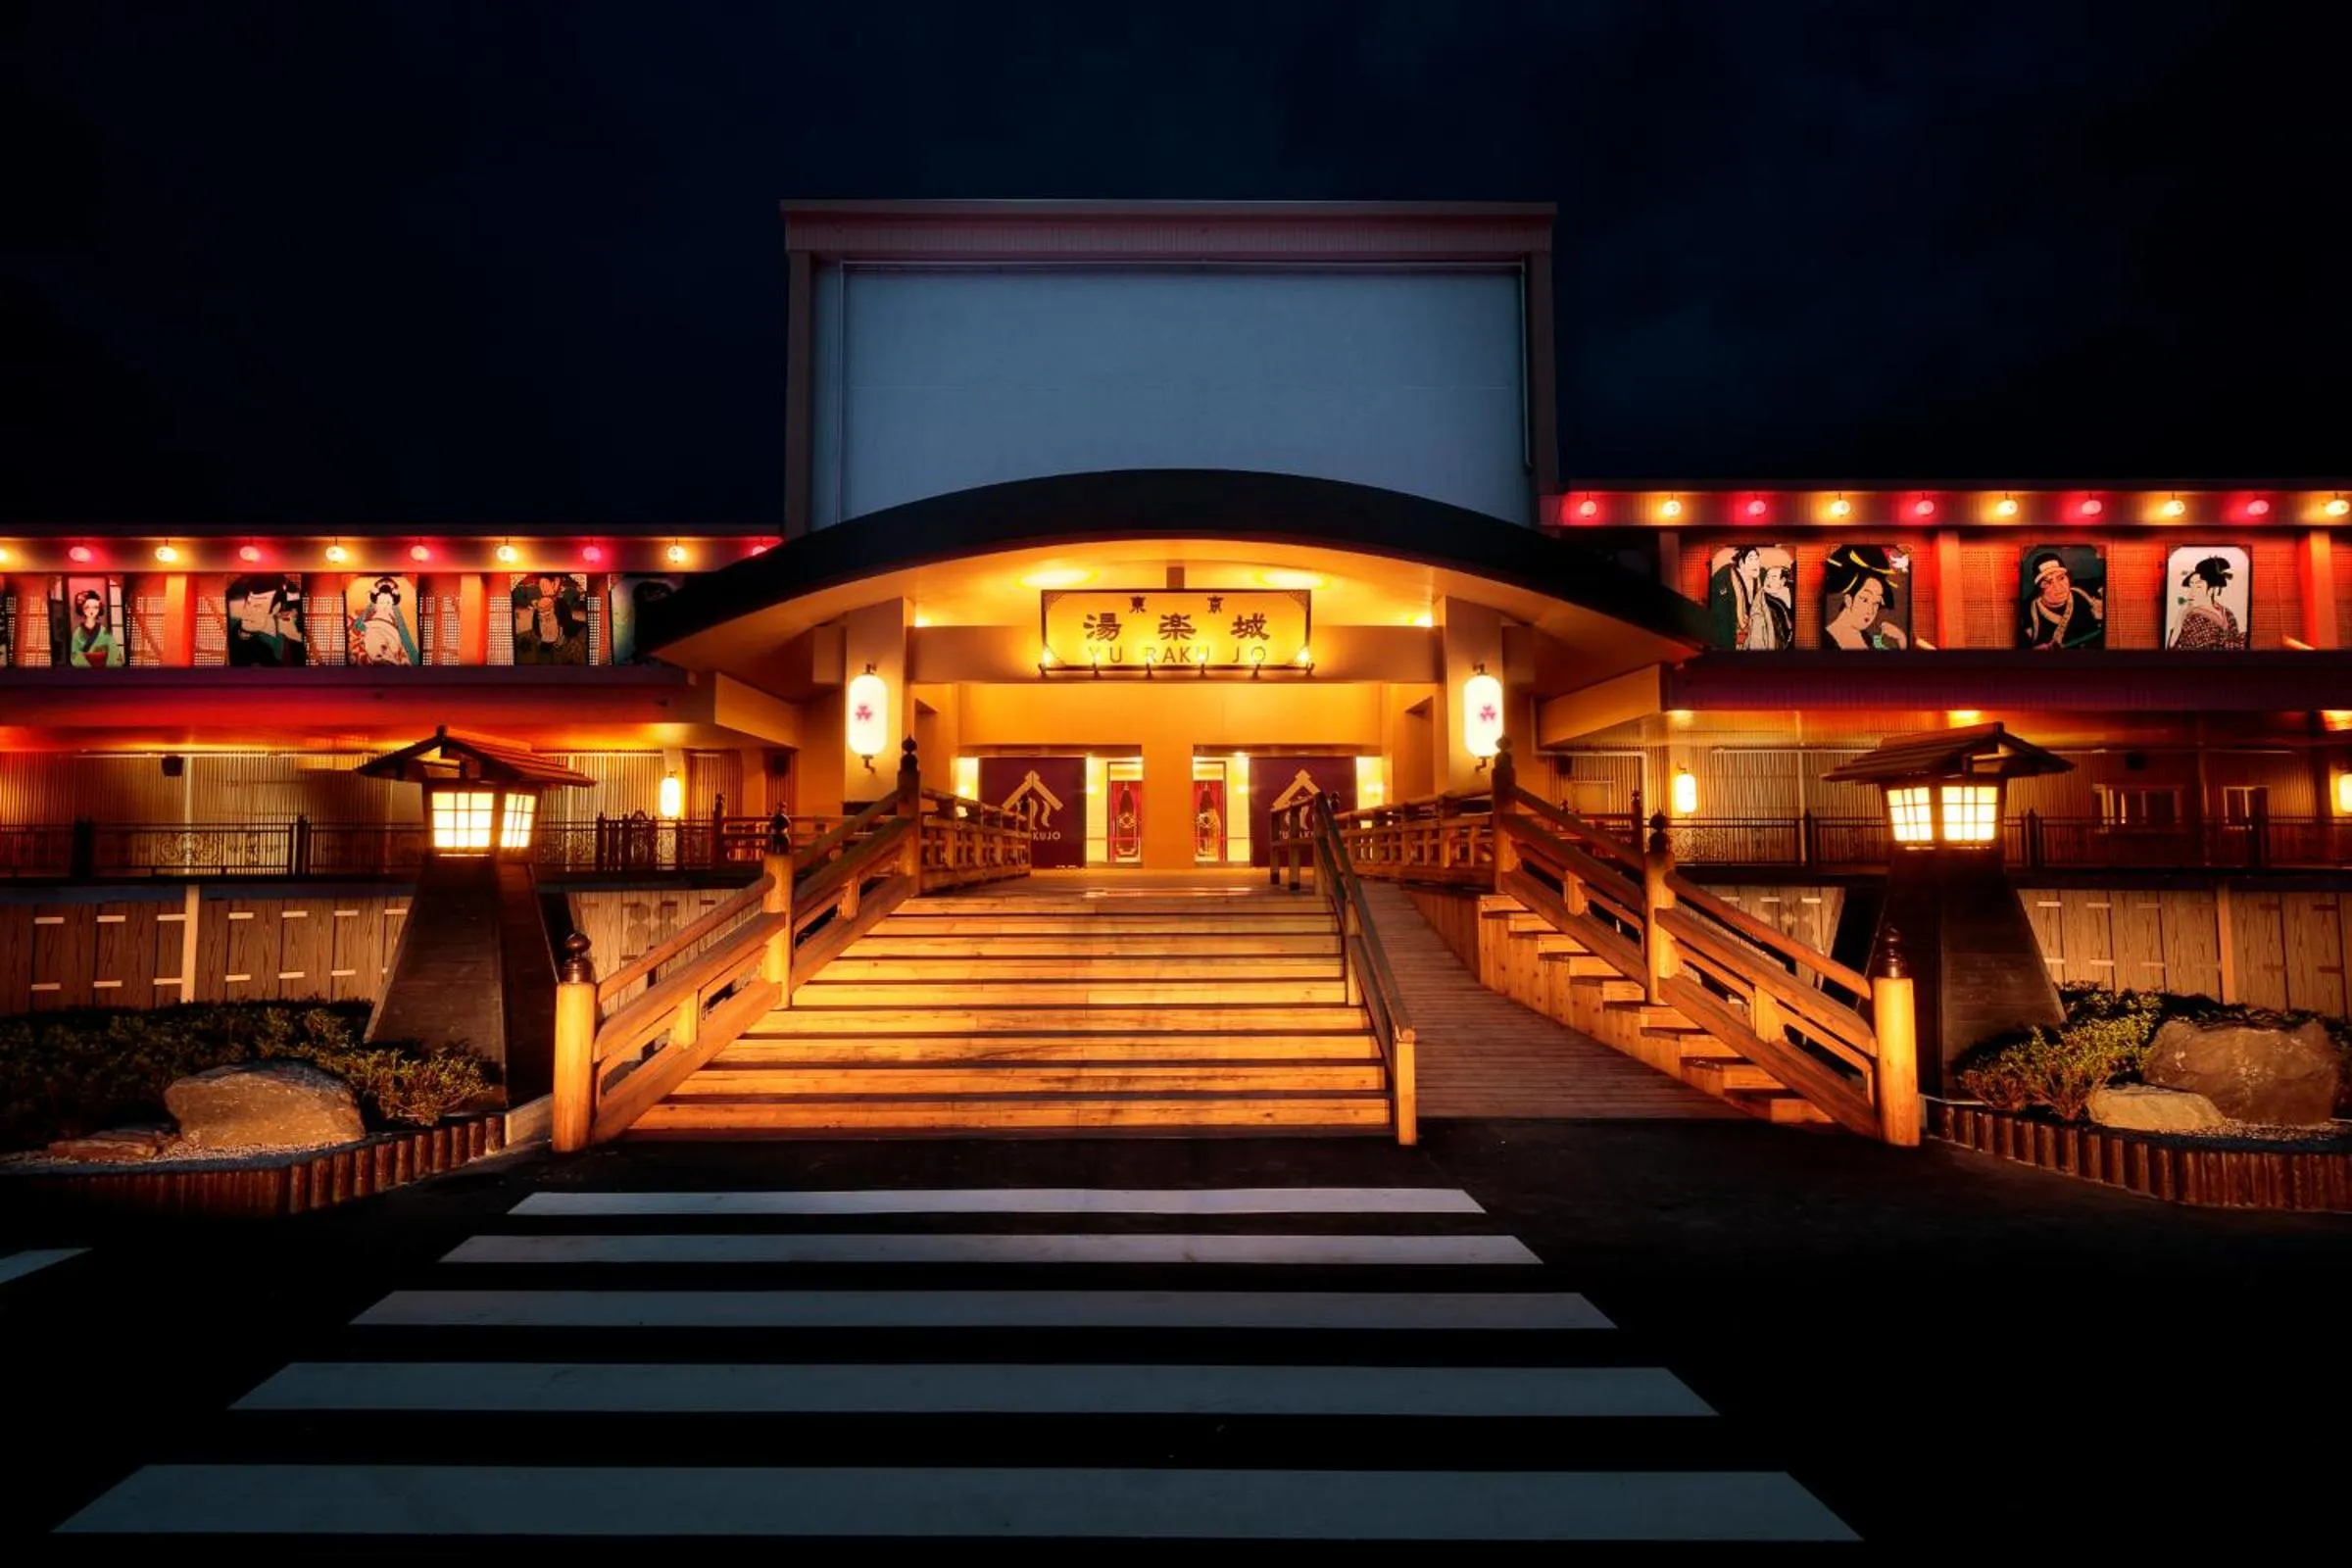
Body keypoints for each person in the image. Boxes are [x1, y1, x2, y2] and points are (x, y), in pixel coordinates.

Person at [1823, 546, 1909, 650]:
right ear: (1848, 600)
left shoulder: (1866, 637)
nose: (1871, 611)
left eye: (1876, 603)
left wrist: (1901, 639)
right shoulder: (1829, 640)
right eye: (1865, 600)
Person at [2022, 553, 2104, 650]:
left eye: (2061, 578)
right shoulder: (2027, 613)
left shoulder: (2087, 592)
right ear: (2038, 588)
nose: (2058, 587)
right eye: (2047, 583)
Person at [225, 575, 306, 666]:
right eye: (248, 604)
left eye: (258, 607)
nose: (248, 612)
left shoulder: (290, 631)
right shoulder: (235, 626)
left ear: (276, 608)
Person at [2170, 555, 2245, 650]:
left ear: (2210, 590)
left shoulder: (2227, 613)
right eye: (2191, 586)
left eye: (2198, 587)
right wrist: (2181, 615)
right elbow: (2173, 647)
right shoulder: (2192, 618)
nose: (2191, 593)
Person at [351, 576, 418, 665]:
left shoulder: (396, 619)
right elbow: (355, 630)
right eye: (382, 602)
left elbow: (407, 647)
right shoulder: (361, 615)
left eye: (388, 603)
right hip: (370, 651)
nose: (385, 606)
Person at [1708, 545, 1764, 648]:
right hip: (1732, 632)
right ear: (1742, 563)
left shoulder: (1762, 576)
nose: (1756, 563)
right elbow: (1720, 615)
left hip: (1755, 631)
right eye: (1751, 559)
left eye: (1757, 558)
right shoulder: (1724, 577)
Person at [69, 589, 122, 667]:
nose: (91, 611)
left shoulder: (104, 631)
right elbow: (75, 654)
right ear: (82, 608)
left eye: (95, 607)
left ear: (99, 608)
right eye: (87, 607)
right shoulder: (78, 633)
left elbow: (114, 652)